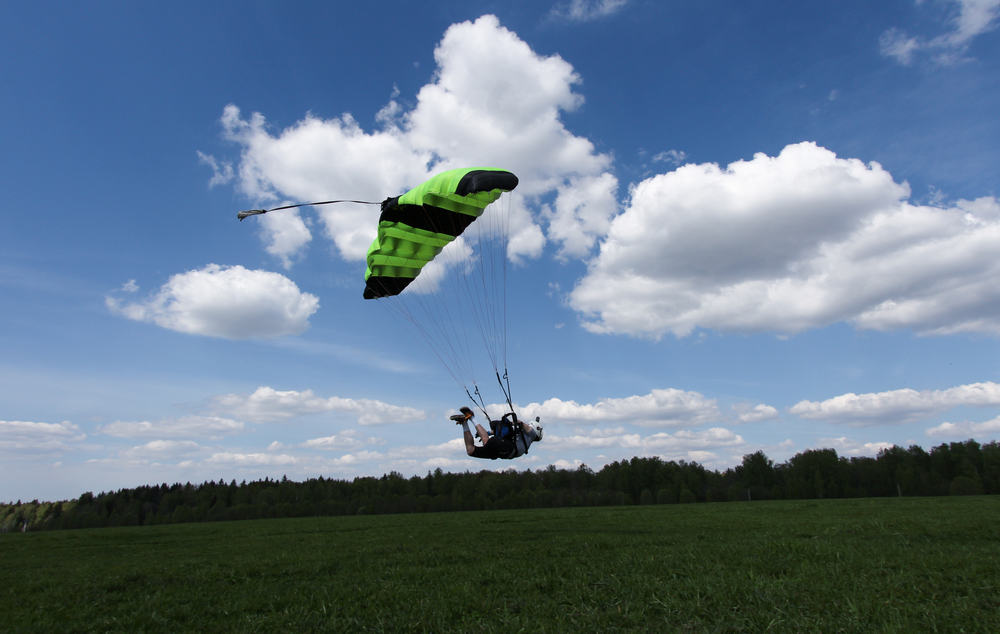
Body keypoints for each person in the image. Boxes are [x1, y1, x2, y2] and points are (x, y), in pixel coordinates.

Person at [450, 406, 542, 460]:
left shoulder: (532, 434)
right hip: (503, 451)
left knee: (471, 451)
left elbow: (521, 424)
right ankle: (468, 420)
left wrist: (515, 422)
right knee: (473, 450)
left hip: (507, 449)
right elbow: (501, 432)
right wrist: (488, 432)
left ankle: (468, 420)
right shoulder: (522, 435)